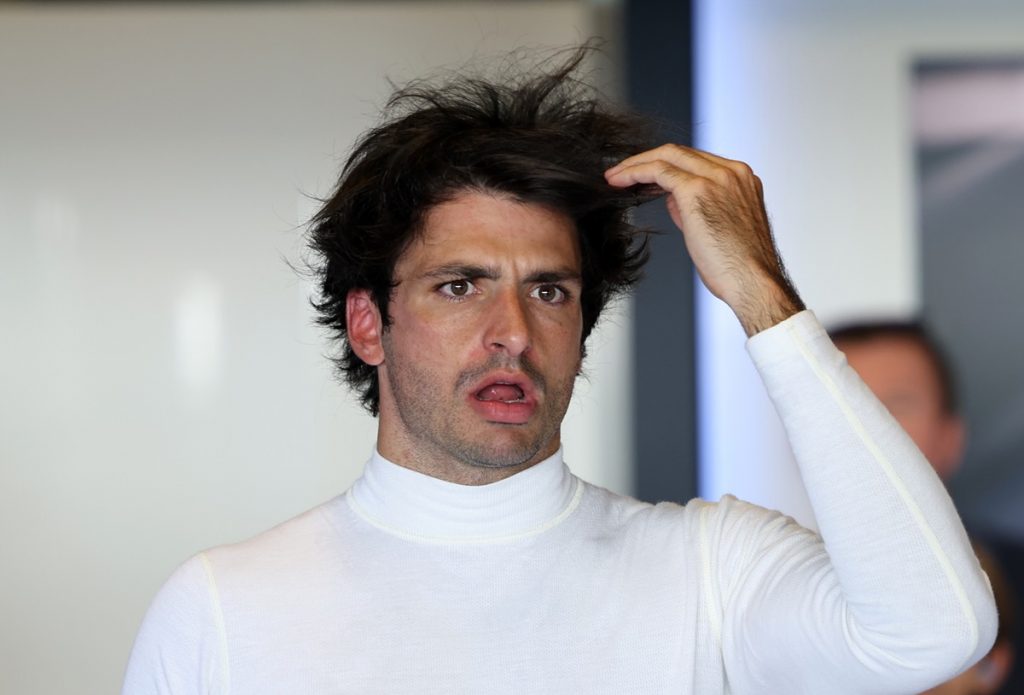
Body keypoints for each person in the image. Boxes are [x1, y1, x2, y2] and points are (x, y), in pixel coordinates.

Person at [122, 48, 997, 694]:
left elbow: (936, 631)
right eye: (459, 285)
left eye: (549, 290)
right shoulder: (222, 608)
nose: (512, 331)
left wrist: (765, 297)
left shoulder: (709, 571)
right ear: (368, 323)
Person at [831, 321, 1018, 695]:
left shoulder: (1013, 585)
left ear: (950, 437)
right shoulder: (748, 591)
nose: (866, 429)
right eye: (842, 404)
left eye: (895, 406)